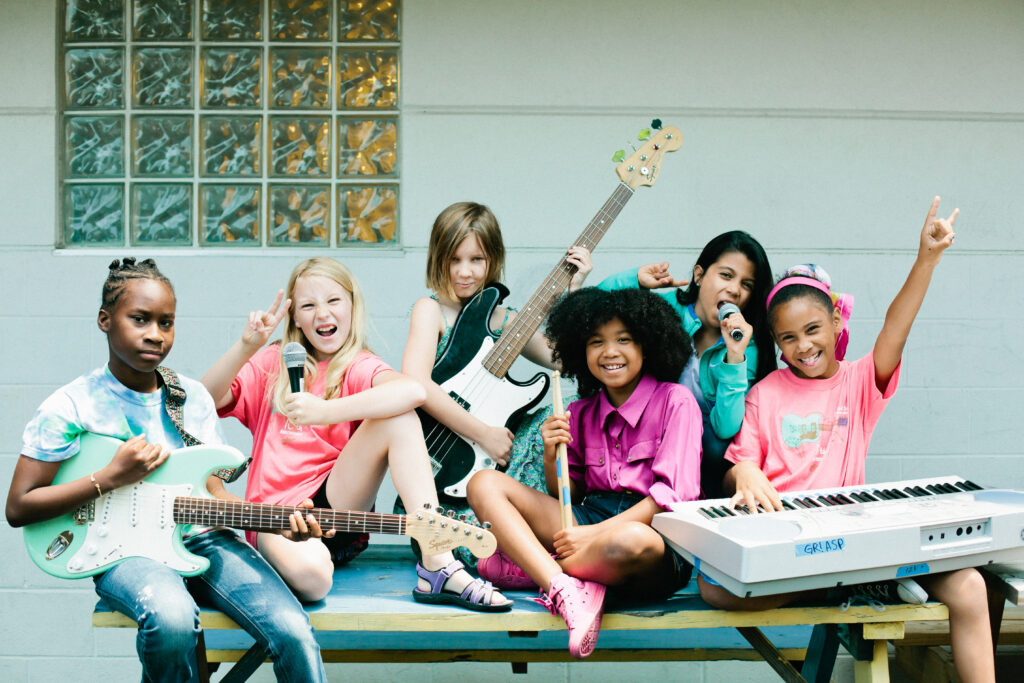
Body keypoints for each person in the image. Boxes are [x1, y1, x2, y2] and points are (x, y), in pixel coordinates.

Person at [708, 199, 994, 683]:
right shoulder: (763, 394)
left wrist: (925, 259)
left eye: (814, 329)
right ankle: (858, 586)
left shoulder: (861, 382)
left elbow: (895, 328)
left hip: (854, 544)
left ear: (837, 324)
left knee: (969, 586)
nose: (804, 346)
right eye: (789, 338)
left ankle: (860, 581)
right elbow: (741, 467)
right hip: (788, 553)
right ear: (777, 344)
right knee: (714, 589)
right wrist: (746, 471)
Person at [5, 257, 327, 682]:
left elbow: (214, 494)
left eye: (166, 323)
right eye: (140, 319)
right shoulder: (72, 405)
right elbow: (19, 507)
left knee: (293, 632)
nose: (155, 334)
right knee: (172, 619)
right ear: (105, 320)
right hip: (126, 552)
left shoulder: (191, 398)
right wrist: (111, 477)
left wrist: (275, 522)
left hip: (203, 541)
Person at [202, 256, 509, 611]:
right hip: (279, 520)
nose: (322, 314)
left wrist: (324, 411)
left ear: (351, 306)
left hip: (338, 510)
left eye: (333, 301)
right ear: (296, 319)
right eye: (308, 306)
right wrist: (247, 347)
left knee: (400, 416)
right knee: (315, 580)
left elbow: (414, 392)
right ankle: (291, 558)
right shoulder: (273, 362)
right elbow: (204, 401)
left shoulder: (358, 364)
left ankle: (437, 562)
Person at [467, 287, 702, 658]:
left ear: (648, 344)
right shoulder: (579, 411)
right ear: (581, 351)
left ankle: (533, 568)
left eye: (623, 339)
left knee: (630, 540)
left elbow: (671, 499)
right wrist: (550, 454)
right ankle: (564, 586)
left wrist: (590, 534)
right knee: (483, 483)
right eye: (596, 342)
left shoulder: (676, 401)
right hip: (587, 519)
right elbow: (568, 497)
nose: (609, 352)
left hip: (653, 536)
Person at [401, 201, 592, 564]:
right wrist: (484, 434)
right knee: (460, 544)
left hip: (490, 464)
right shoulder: (431, 311)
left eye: (477, 260)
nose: (464, 272)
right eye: (453, 260)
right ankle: (516, 551)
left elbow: (566, 360)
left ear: (494, 260)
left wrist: (574, 294)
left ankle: (548, 536)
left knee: (555, 423)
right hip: (443, 460)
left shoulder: (505, 320)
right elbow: (416, 383)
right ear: (437, 259)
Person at [597, 231, 775, 497]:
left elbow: (726, 427)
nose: (735, 290)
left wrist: (734, 357)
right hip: (649, 438)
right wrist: (636, 280)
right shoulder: (666, 309)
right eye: (726, 275)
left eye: (746, 284)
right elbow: (593, 306)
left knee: (717, 445)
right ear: (699, 274)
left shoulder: (745, 344)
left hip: (704, 453)